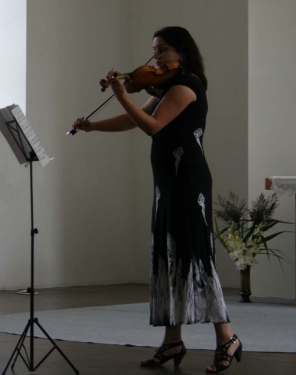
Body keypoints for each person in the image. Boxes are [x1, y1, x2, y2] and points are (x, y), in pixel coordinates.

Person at [72, 27, 242, 373]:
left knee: (195, 255)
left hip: (188, 181)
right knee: (168, 254)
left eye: (162, 50)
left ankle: (227, 336)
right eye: (154, 50)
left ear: (181, 51)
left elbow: (153, 126)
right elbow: (133, 121)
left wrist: (121, 93)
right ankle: (172, 340)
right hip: (168, 181)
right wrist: (93, 126)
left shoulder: (187, 86)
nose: (156, 58)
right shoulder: (166, 87)